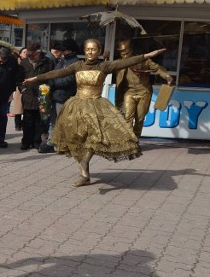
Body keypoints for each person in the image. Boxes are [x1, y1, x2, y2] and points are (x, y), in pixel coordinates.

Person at [23, 39, 166, 187]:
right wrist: (34, 78)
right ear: (84, 51)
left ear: (99, 51)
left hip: (96, 106)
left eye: (94, 49)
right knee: (77, 139)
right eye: (88, 49)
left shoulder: (104, 66)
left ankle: (85, 164)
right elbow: (56, 73)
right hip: (77, 106)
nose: (90, 52)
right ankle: (85, 174)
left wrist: (148, 55)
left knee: (94, 137)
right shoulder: (78, 65)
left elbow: (127, 62)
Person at [115, 39, 173, 139]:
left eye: (127, 53)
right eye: (122, 54)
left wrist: (166, 76)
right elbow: (106, 68)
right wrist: (106, 58)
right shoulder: (119, 63)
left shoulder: (143, 60)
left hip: (144, 92)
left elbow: (157, 68)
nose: (124, 56)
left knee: (140, 119)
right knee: (128, 117)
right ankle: (128, 141)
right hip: (128, 92)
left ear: (131, 50)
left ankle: (136, 139)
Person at [39, 38, 80, 154]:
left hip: (65, 96)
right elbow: (55, 74)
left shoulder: (75, 62)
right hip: (56, 95)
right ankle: (52, 142)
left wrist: (54, 83)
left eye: (65, 50)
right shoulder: (62, 61)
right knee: (53, 121)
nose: (62, 52)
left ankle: (65, 144)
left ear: (70, 50)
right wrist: (50, 83)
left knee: (63, 121)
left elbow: (70, 79)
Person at [19, 43, 55, 150]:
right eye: (29, 55)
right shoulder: (24, 62)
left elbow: (52, 78)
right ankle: (26, 141)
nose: (30, 58)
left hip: (42, 96)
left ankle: (36, 141)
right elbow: (18, 79)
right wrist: (22, 89)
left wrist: (48, 92)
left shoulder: (48, 62)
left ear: (38, 53)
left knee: (39, 121)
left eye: (33, 55)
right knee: (27, 120)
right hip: (28, 95)